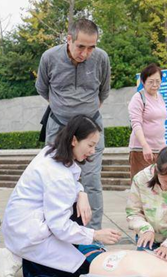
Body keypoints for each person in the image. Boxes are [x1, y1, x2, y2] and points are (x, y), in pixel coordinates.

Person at [0, 115, 122, 277]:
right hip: (30, 233)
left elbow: (71, 181)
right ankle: (17, 257)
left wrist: (82, 193)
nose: (93, 151)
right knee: (86, 271)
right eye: (90, 145)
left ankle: (20, 255)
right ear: (74, 140)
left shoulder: (51, 152)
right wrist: (95, 235)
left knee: (77, 209)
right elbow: (60, 226)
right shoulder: (58, 175)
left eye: (95, 146)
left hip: (23, 224)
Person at [36, 18, 111, 230]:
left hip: (91, 128)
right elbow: (42, 88)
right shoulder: (49, 58)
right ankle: (55, 228)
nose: (85, 53)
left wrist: (85, 115)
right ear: (69, 39)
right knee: (53, 179)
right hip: (59, 126)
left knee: (91, 181)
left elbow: (103, 91)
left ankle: (93, 234)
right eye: (81, 47)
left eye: (91, 47)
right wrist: (63, 107)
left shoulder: (101, 58)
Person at [128, 63, 167, 179]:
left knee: (159, 184)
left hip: (159, 149)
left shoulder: (160, 97)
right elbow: (136, 123)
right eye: (151, 81)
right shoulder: (138, 98)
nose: (155, 85)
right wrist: (145, 145)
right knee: (142, 185)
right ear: (143, 81)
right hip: (141, 149)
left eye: (158, 81)